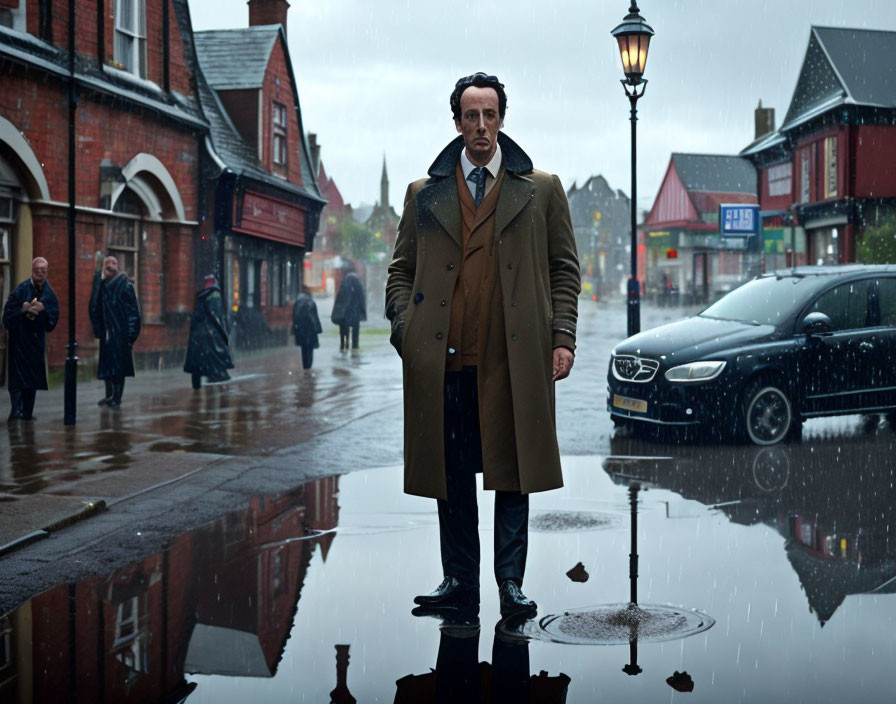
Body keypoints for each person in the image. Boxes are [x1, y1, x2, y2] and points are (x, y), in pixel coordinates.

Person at [385, 73, 580, 619]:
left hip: (513, 362)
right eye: (470, 116)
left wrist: (562, 336)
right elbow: (400, 272)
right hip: (443, 364)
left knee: (513, 473)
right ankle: (458, 580)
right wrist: (408, 331)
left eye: (489, 114)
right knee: (452, 476)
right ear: (457, 122)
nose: (481, 126)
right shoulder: (425, 195)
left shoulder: (540, 189)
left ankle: (510, 583)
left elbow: (564, 270)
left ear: (501, 119)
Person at [2, 257, 59, 421]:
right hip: (19, 341)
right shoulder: (20, 290)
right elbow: (6, 318)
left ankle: (27, 412)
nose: (40, 273)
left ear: (47, 272)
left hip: (35, 342)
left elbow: (52, 322)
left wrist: (43, 310)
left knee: (32, 378)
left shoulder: (50, 295)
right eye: (37, 270)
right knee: (18, 377)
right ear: (32, 271)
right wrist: (23, 310)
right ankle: (15, 410)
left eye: (43, 270)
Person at [89, 255, 141, 408]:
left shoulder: (125, 284)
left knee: (119, 368)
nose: (110, 265)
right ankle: (109, 396)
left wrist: (131, 335)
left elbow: (133, 312)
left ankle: (117, 398)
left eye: (114, 262)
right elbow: (94, 306)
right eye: (107, 263)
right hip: (107, 334)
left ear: (118, 266)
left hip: (121, 333)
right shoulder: (102, 284)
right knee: (107, 367)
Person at [183, 274, 234, 388]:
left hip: (197, 335)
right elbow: (216, 316)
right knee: (217, 363)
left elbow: (197, 316)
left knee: (197, 363)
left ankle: (197, 391)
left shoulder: (200, 296)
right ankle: (219, 390)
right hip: (211, 334)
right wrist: (224, 334)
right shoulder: (215, 295)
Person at [331, 266, 366, 352]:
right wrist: (362, 310)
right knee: (355, 329)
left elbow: (339, 298)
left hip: (345, 310)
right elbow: (362, 297)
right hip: (355, 310)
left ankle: (343, 345)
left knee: (343, 328)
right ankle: (355, 345)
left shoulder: (345, 282)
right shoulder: (358, 282)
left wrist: (338, 310)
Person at [292, 285, 323, 369]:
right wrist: (317, 328)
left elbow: (294, 317)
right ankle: (309, 366)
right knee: (310, 348)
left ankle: (305, 365)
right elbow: (315, 317)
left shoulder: (297, 303)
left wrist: (294, 329)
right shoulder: (311, 302)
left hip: (301, 328)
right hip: (311, 329)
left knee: (304, 348)